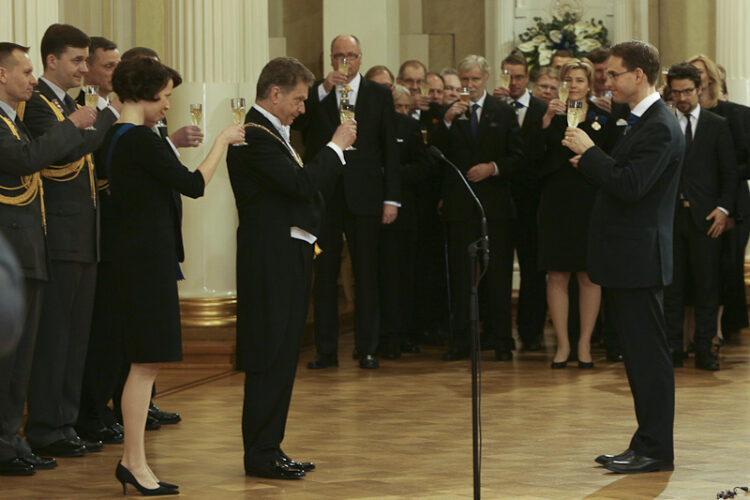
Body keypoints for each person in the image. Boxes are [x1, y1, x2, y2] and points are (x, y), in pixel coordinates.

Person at [105, 56, 243, 495]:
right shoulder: (139, 141)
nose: (167, 105)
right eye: (164, 97)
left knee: (145, 363)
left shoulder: (117, 137)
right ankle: (134, 462)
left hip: (138, 261)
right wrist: (221, 141)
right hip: (144, 264)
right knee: (145, 363)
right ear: (144, 94)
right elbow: (194, 184)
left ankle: (134, 461)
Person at [227, 56, 355, 480]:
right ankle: (260, 453)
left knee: (284, 355)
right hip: (269, 259)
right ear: (275, 93)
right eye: (299, 99)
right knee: (269, 354)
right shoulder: (254, 136)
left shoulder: (273, 134)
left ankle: (270, 446)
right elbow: (301, 185)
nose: (303, 108)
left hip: (288, 255)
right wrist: (335, 147)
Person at [564, 40, 683, 474]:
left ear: (639, 75)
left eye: (614, 74)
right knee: (638, 357)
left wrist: (590, 153)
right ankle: (645, 442)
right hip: (628, 257)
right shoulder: (640, 121)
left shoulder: (659, 125)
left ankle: (655, 449)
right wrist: (594, 163)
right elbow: (626, 178)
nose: (606, 81)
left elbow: (632, 186)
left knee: (649, 359)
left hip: (639, 259)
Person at [22, 23, 119, 458]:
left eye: (86, 60)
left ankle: (65, 422)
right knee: (56, 337)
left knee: (75, 338)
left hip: (83, 234)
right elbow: (73, 149)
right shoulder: (39, 104)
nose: (84, 68)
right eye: (77, 60)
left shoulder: (68, 103)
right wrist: (108, 114)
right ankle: (46, 427)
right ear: (51, 61)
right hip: (59, 235)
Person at [0, 41, 96, 476]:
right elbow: (26, 160)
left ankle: (11, 439)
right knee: (10, 359)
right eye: (25, 71)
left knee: (21, 361)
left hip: (29, 249)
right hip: (13, 254)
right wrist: (72, 125)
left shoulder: (13, 121)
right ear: (2, 75)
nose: (33, 79)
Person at [294, 34, 400, 370]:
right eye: (339, 56)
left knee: (366, 273)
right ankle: (326, 350)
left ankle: (367, 347)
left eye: (351, 56)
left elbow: (390, 150)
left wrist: (391, 198)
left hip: (366, 194)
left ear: (360, 58)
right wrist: (323, 88)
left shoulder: (378, 94)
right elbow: (301, 125)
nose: (345, 62)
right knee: (324, 273)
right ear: (329, 58)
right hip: (325, 194)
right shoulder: (316, 94)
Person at [430, 54, 523, 361]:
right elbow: (434, 153)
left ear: (486, 79)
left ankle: (500, 339)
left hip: (495, 206)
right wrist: (446, 119)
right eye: (464, 80)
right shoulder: (449, 113)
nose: (469, 85)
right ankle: (461, 341)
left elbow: (518, 157)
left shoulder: (502, 110)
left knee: (497, 277)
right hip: (460, 206)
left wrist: (492, 167)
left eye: (474, 80)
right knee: (460, 276)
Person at [537, 58, 618, 368]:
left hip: (590, 200)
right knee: (557, 273)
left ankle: (584, 344)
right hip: (557, 201)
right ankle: (563, 344)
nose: (573, 84)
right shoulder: (551, 116)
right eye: (568, 79)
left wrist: (589, 162)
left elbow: (612, 159)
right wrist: (545, 121)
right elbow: (533, 157)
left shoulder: (602, 117)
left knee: (588, 275)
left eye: (579, 80)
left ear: (589, 84)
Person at [663, 62, 736, 371]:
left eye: (687, 91)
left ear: (700, 89)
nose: (682, 98)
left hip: (706, 218)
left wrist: (723, 209)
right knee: (672, 288)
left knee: (707, 287)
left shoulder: (716, 125)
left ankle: (705, 349)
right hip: (670, 218)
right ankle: (672, 349)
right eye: (676, 92)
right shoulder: (663, 124)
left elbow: (729, 174)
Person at [74, 35, 126, 447]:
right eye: (108, 66)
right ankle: (88, 410)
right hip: (93, 228)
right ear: (87, 69)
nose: (115, 73)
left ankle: (103, 407)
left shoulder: (115, 110)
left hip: (112, 229)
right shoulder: (80, 110)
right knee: (95, 332)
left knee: (110, 330)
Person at [689, 54, 750, 343]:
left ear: (711, 78)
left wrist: (718, 175)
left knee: (727, 266)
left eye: (699, 73)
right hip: (694, 202)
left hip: (733, 202)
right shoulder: (681, 116)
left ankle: (718, 327)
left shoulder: (737, 114)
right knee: (695, 268)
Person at [492, 52, 548, 351]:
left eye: (517, 77)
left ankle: (531, 332)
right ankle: (498, 333)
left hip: (532, 202)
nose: (512, 82)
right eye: (507, 76)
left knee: (533, 271)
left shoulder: (542, 109)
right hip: (500, 199)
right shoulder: (491, 108)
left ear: (527, 79)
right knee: (497, 270)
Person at [377, 84, 435, 358]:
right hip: (371, 212)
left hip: (404, 213)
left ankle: (401, 335)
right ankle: (376, 337)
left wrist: (392, 174)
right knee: (377, 279)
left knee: (402, 278)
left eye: (403, 105)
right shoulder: (368, 127)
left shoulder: (409, 127)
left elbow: (423, 166)